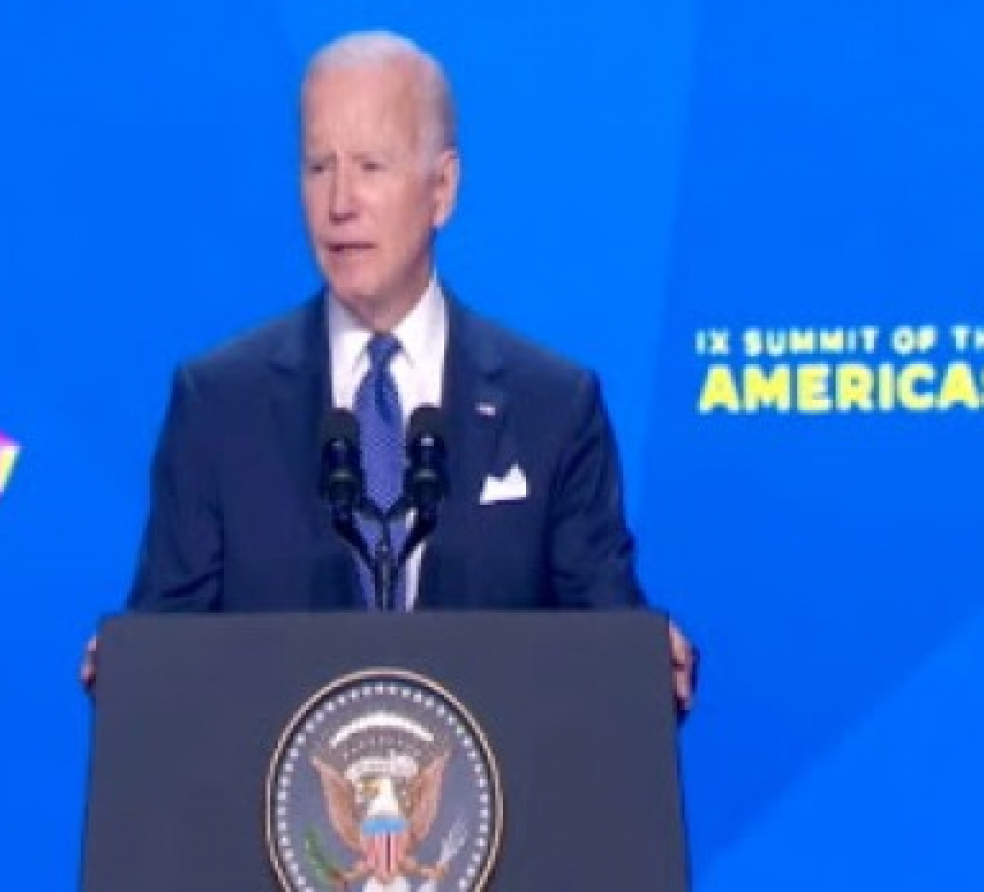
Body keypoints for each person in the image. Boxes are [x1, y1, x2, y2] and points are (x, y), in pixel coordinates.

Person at [81, 30, 697, 711]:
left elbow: (605, 641)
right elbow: (167, 655)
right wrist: (134, 671)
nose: (340, 201)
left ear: (442, 189)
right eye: (319, 167)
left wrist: (646, 661)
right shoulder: (218, 405)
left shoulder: (552, 408)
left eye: (371, 166)